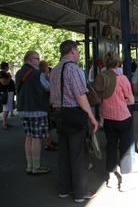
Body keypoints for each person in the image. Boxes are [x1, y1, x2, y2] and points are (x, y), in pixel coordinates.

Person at [49, 40, 98, 203]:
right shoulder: (73, 69)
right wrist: (91, 116)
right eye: (77, 51)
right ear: (71, 51)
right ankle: (80, 192)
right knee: (78, 155)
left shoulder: (54, 70)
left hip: (59, 115)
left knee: (64, 154)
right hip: (74, 117)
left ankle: (64, 189)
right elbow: (80, 96)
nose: (78, 54)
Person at [94, 51, 135, 192]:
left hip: (108, 119)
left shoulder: (101, 79)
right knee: (125, 149)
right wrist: (121, 101)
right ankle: (125, 181)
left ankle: (110, 179)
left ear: (105, 63)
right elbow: (131, 100)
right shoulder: (122, 79)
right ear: (118, 63)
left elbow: (100, 100)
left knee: (111, 147)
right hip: (123, 117)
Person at [15, 51, 50, 174]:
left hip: (23, 109)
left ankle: (29, 166)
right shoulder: (37, 73)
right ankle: (36, 166)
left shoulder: (18, 73)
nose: (39, 61)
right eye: (38, 58)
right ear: (31, 60)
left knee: (28, 137)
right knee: (36, 139)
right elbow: (48, 87)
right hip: (37, 109)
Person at [39, 60, 58, 151]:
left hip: (48, 101)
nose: (48, 68)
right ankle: (48, 143)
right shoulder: (42, 75)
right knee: (48, 123)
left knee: (50, 123)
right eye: (47, 67)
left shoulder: (45, 76)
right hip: (46, 102)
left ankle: (50, 140)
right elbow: (47, 88)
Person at [0, 62, 14, 130]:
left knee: (7, 108)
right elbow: (4, 83)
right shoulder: (2, 74)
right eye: (7, 66)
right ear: (5, 67)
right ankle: (4, 123)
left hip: (8, 92)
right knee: (6, 108)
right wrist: (9, 78)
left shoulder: (4, 73)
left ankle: (5, 122)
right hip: (6, 92)